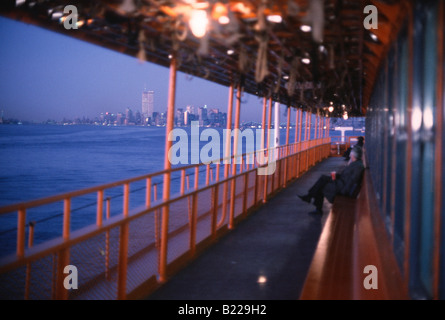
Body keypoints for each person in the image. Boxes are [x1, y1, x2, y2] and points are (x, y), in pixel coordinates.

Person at [298, 145, 365, 214]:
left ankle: (311, 200)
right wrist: (336, 175)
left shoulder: (358, 167)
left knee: (321, 185)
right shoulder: (355, 164)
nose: (350, 156)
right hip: (340, 182)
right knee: (322, 179)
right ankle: (310, 198)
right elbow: (347, 177)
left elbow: (352, 181)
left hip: (340, 187)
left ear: (354, 155)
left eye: (351, 155)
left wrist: (342, 192)